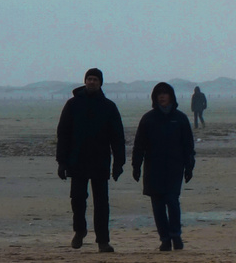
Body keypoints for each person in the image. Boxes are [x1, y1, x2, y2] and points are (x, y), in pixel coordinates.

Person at [55, 67, 126, 253]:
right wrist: (61, 162)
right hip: (76, 160)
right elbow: (63, 133)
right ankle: (80, 230)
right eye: (89, 79)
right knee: (77, 199)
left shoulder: (108, 106)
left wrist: (119, 163)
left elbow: (117, 136)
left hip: (100, 160)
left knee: (102, 203)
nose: (92, 82)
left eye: (95, 79)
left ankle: (103, 240)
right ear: (85, 81)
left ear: (100, 83)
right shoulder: (72, 104)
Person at [131, 81, 196, 251]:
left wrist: (189, 166)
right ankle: (164, 238)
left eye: (165, 93)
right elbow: (139, 145)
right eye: (159, 94)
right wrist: (136, 166)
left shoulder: (180, 118)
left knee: (172, 201)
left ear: (171, 96)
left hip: (175, 167)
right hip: (153, 167)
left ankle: (176, 235)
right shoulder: (148, 119)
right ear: (155, 98)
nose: (162, 96)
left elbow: (188, 145)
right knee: (158, 205)